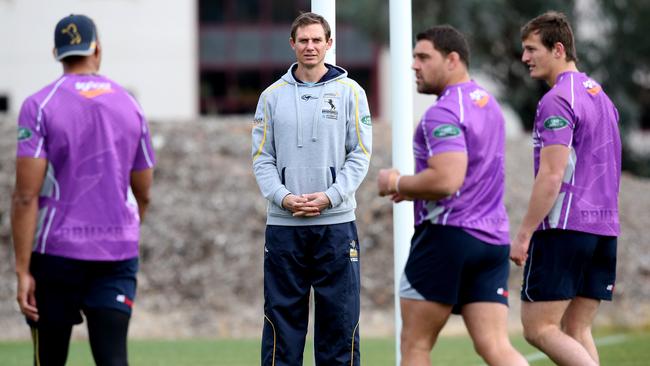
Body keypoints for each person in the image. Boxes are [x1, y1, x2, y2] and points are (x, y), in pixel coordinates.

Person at [377, 25, 528, 366]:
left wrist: (397, 182)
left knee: (415, 345)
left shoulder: (442, 113)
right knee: (495, 346)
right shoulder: (488, 104)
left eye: (423, 57)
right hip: (492, 240)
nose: (414, 65)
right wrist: (419, 186)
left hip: (448, 237)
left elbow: (447, 179)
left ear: (452, 60)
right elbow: (466, 172)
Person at [11, 14, 155, 366]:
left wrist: (22, 269)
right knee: (113, 360)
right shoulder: (129, 104)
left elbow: (26, 195)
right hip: (116, 254)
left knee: (50, 360)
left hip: (56, 254)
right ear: (97, 48)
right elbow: (144, 192)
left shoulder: (38, 105)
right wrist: (126, 229)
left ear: (56, 53)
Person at [251, 11, 372, 366]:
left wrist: (331, 196)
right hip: (284, 228)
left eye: (317, 40)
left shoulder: (352, 92)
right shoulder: (271, 96)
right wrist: (284, 197)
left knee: (340, 326)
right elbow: (262, 159)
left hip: (335, 226)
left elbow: (360, 155)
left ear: (329, 44)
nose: (310, 46)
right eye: (303, 40)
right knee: (281, 328)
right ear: (292, 44)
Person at [510, 11, 621, 366]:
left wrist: (524, 233)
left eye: (531, 49)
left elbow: (552, 176)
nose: (525, 57)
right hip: (604, 229)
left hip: (565, 229)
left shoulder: (557, 99)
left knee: (538, 327)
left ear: (558, 49)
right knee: (575, 329)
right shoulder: (601, 96)